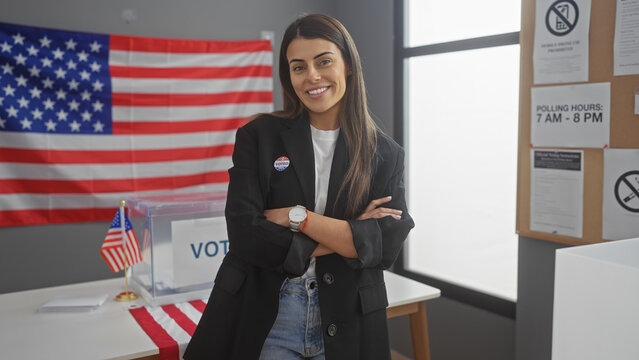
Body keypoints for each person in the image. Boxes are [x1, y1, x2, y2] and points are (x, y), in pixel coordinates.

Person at [184, 13, 414, 360]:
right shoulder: (258, 137)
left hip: (349, 316)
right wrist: (351, 237)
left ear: (348, 65)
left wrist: (298, 218)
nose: (313, 77)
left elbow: (385, 245)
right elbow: (246, 235)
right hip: (268, 314)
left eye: (324, 62)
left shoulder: (384, 153)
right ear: (288, 76)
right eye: (298, 67)